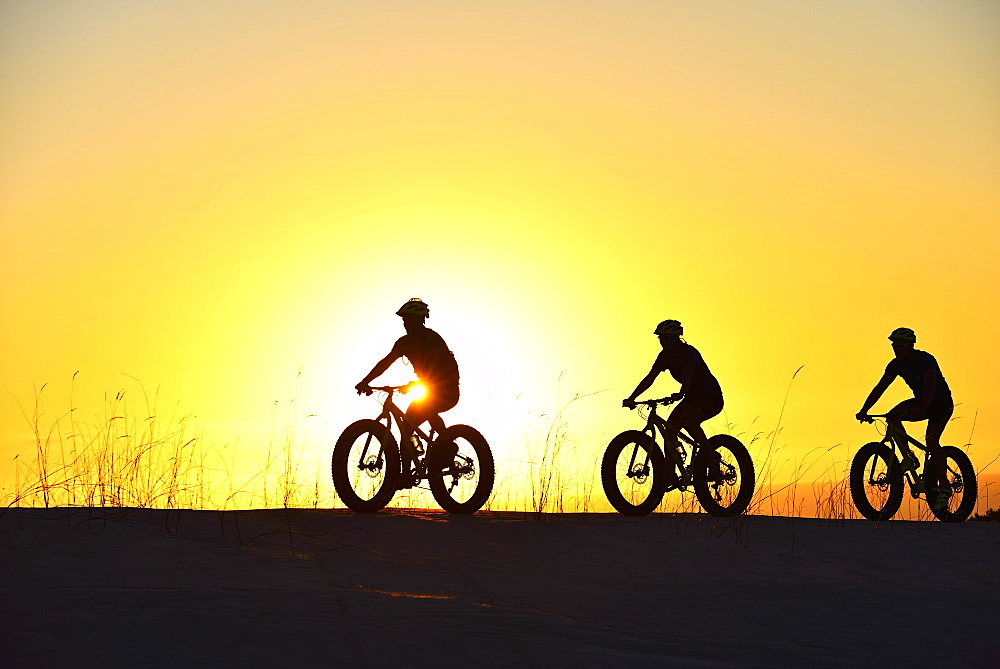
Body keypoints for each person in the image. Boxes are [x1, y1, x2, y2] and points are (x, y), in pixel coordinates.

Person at [355, 298, 460, 481]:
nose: (405, 324)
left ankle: (447, 444)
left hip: (447, 389)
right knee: (406, 427)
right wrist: (365, 381)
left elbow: (437, 366)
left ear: (420, 320)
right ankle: (405, 474)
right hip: (429, 388)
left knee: (425, 407)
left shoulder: (432, 338)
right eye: (404, 320)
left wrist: (416, 384)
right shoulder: (403, 343)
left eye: (409, 320)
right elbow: (384, 364)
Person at [856, 327, 954, 510]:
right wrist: (864, 410)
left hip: (940, 403)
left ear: (910, 346)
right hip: (920, 402)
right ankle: (909, 456)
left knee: (932, 442)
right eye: (894, 346)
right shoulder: (895, 365)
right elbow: (880, 387)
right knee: (892, 416)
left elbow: (931, 384)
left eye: (900, 346)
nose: (896, 349)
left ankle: (945, 487)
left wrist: (924, 407)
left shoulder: (925, 359)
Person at [623, 320, 724, 477]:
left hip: (710, 396)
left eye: (667, 338)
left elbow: (688, 374)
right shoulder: (664, 356)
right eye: (660, 338)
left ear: (677, 338)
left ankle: (711, 457)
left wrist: (681, 392)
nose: (663, 341)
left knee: (689, 420)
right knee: (669, 431)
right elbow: (650, 378)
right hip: (692, 398)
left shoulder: (688, 352)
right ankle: (670, 475)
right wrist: (632, 398)